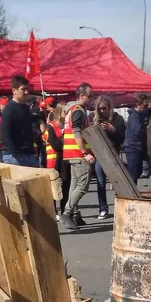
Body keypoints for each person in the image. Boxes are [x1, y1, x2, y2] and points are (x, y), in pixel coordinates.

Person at [60, 83, 96, 228]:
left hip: (71, 154)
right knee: (83, 186)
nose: (92, 98)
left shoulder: (71, 109)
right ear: (81, 96)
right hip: (79, 154)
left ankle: (74, 215)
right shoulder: (79, 111)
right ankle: (67, 213)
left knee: (74, 186)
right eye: (90, 95)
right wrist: (85, 152)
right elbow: (77, 133)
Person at [91, 94, 125, 218]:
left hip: (113, 154)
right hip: (100, 154)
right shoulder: (95, 120)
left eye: (104, 108)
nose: (102, 111)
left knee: (117, 182)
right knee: (100, 183)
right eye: (99, 108)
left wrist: (113, 130)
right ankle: (103, 208)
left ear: (109, 107)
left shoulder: (118, 118)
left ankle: (120, 206)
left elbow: (122, 137)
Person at [0, 75, 38, 167]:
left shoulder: (26, 108)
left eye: (27, 89)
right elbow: (5, 136)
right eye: (23, 89)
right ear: (14, 90)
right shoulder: (9, 109)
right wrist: (17, 154)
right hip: (14, 157)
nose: (26, 92)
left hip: (29, 154)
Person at [123, 94, 149, 183]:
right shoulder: (134, 116)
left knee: (136, 173)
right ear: (138, 104)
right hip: (133, 147)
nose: (145, 108)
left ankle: (134, 193)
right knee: (133, 174)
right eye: (144, 106)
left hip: (137, 147)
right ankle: (130, 194)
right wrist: (146, 130)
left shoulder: (139, 116)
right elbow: (137, 132)